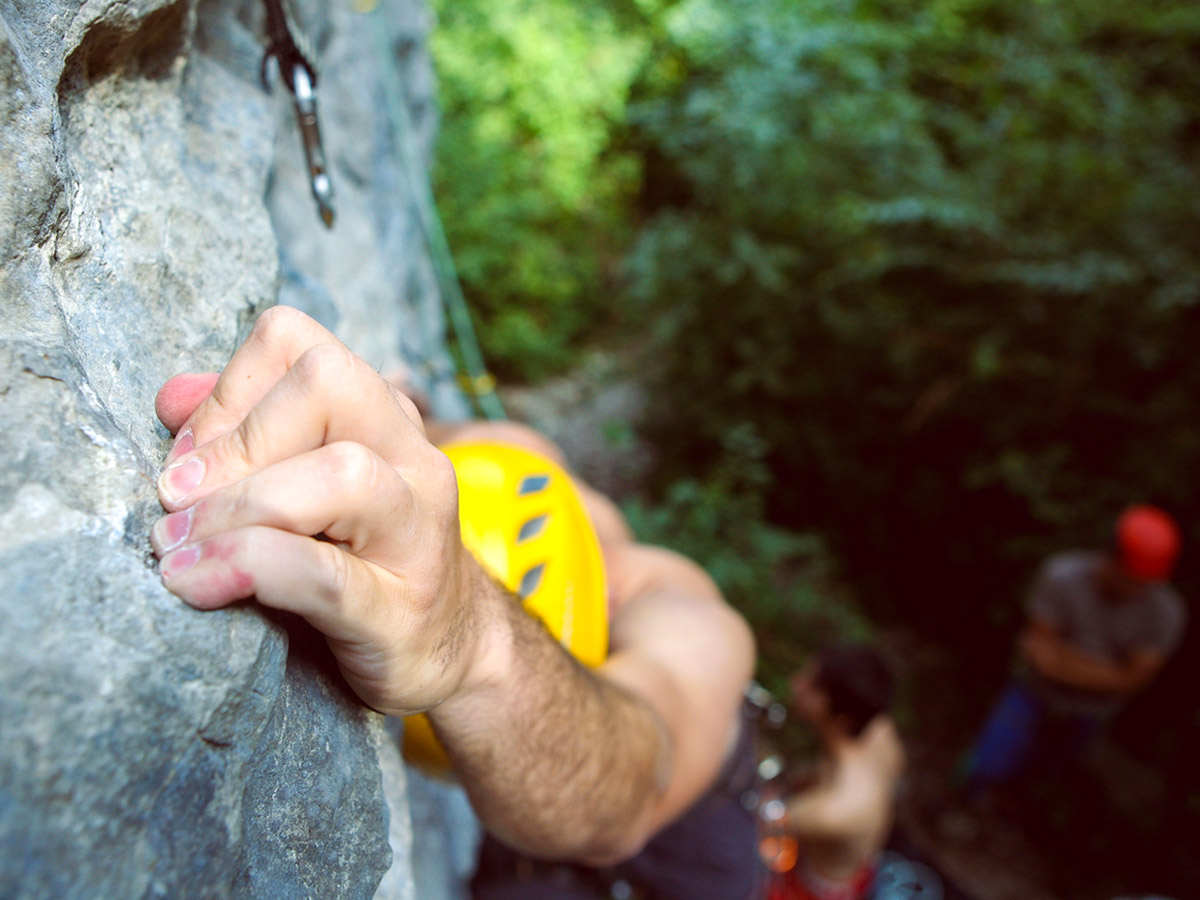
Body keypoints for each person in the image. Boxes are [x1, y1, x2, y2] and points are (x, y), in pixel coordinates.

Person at [149, 306, 759, 899]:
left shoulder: (687, 613)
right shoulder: (510, 450)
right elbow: (399, 439)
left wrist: (472, 638)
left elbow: (632, 788)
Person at [961, 505, 1187, 796]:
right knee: (991, 756)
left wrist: (1066, 660)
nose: (1138, 590)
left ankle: (1024, 804)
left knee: (1054, 773)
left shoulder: (1165, 612)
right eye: (1132, 579)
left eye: (1146, 583)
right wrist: (1110, 672)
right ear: (1111, 557)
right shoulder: (1062, 577)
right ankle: (970, 793)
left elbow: (1135, 680)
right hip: (1034, 692)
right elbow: (1041, 655)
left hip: (1091, 713)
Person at [768, 646, 904, 900]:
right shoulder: (880, 730)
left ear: (843, 718)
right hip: (857, 861)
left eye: (812, 685)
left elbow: (764, 821)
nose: (797, 683)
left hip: (813, 889)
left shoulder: (834, 809)